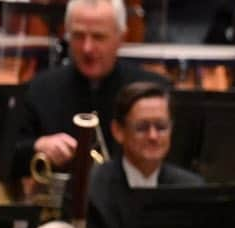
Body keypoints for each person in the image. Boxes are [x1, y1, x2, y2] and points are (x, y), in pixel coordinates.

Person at [11, 0, 167, 181]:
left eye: (98, 37)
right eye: (78, 36)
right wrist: (38, 146)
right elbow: (8, 155)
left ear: (121, 37)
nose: (87, 48)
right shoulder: (40, 89)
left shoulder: (153, 92)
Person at [87, 82, 204, 228]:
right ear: (118, 131)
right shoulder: (91, 187)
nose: (153, 136)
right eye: (142, 127)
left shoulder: (191, 187)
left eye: (161, 127)